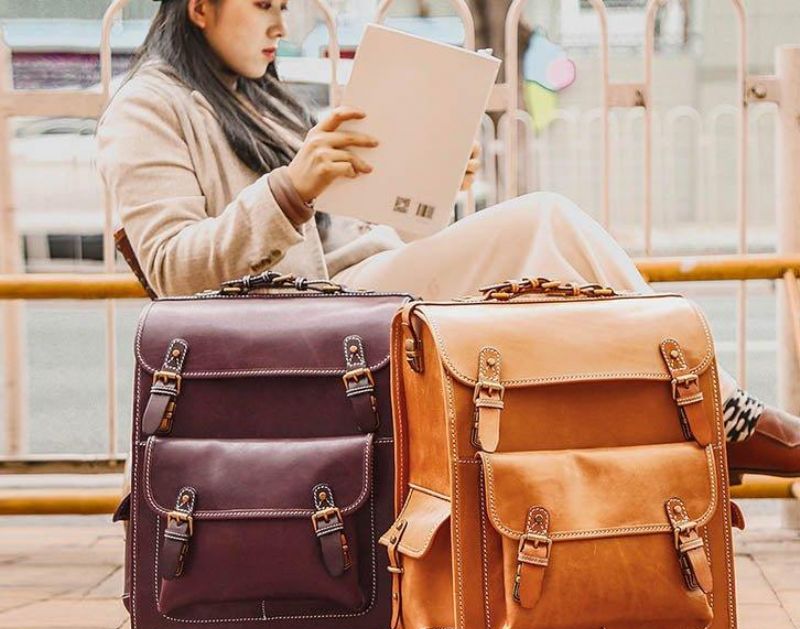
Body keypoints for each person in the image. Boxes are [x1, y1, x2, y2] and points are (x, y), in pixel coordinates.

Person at [95, 0, 800, 480]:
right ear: (199, 7)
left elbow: (343, 242)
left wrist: (425, 183)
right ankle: (718, 413)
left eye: (286, 6)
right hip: (283, 338)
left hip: (336, 309)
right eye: (264, 5)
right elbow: (171, 273)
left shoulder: (254, 94)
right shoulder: (148, 107)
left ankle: (691, 419)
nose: (280, 23)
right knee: (544, 221)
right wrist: (292, 187)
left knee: (554, 281)